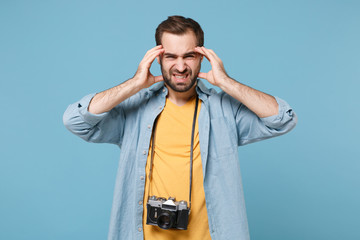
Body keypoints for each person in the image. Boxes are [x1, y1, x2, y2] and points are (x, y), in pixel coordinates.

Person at [63, 15, 297, 240]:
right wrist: (134, 84)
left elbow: (283, 119)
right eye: (171, 56)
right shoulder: (134, 111)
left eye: (189, 56)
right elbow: (75, 120)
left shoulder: (224, 111)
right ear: (158, 58)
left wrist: (226, 82)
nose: (181, 66)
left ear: (202, 58)